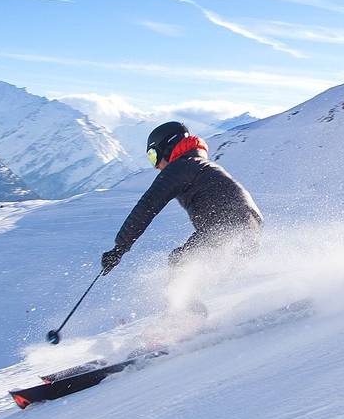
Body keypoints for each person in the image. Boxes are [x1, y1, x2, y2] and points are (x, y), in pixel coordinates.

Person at [101, 121, 262, 295]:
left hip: (226, 227)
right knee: (211, 274)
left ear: (168, 148)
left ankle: (184, 316)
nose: (155, 166)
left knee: (179, 263)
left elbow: (147, 206)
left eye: (153, 155)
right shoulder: (200, 165)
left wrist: (119, 248)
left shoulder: (181, 167)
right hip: (249, 226)